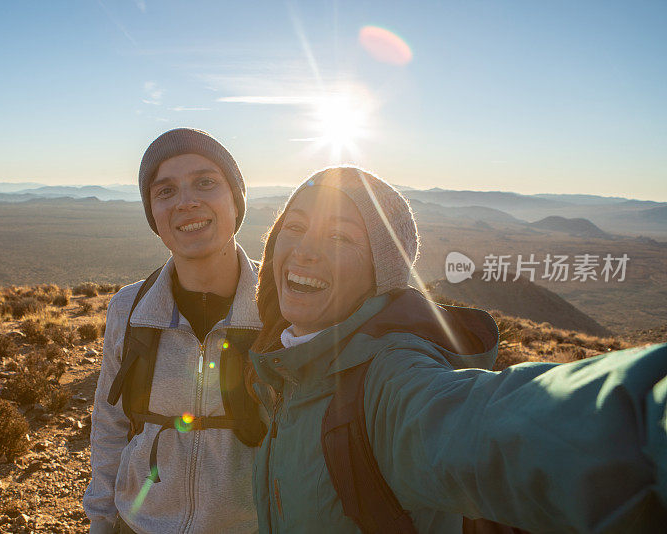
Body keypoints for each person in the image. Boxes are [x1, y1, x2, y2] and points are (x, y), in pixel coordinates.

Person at [247, 165, 667, 533]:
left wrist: (650, 415)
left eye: (340, 237)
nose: (304, 250)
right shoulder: (284, 368)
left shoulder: (389, 381)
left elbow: (502, 429)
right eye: (295, 227)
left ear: (381, 273)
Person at [84, 128, 265, 533]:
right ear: (153, 215)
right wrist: (100, 520)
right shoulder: (129, 309)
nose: (186, 201)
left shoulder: (280, 310)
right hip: (140, 523)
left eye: (205, 182)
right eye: (165, 191)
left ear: (235, 200)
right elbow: (111, 423)